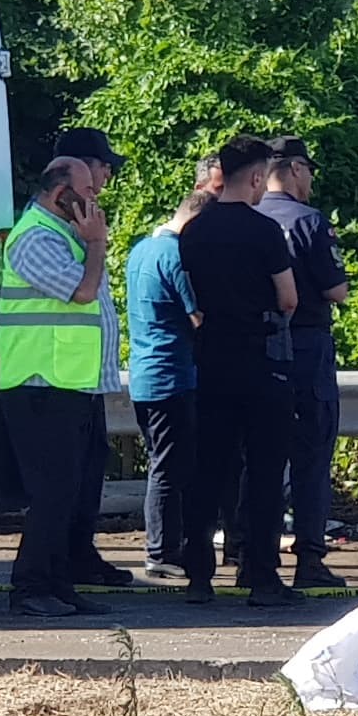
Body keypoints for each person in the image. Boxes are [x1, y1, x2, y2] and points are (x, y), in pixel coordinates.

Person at [174, 134, 303, 608]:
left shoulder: (193, 232)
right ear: (253, 177)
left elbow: (192, 297)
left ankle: (198, 577)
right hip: (261, 358)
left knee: (208, 468)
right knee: (265, 470)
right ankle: (261, 577)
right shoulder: (265, 231)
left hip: (211, 358)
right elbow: (288, 298)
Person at [0, 134, 118, 619]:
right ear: (58, 192)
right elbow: (83, 293)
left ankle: (59, 585)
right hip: (39, 384)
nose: (93, 201)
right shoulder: (34, 238)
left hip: (71, 384)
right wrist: (97, 244)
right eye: (85, 192)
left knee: (70, 494)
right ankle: (30, 588)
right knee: (51, 495)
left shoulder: (64, 235)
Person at [259, 136, 357, 591]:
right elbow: (337, 291)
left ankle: (252, 555)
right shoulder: (309, 222)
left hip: (253, 347)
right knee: (312, 456)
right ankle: (309, 558)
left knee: (257, 455)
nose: (312, 180)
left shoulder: (243, 217)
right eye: (310, 171)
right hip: (307, 345)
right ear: (295, 169)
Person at [124, 156, 216, 584]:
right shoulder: (176, 255)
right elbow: (198, 316)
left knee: (164, 462)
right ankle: (160, 552)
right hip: (172, 375)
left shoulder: (141, 248)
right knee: (170, 467)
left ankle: (165, 549)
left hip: (144, 373)